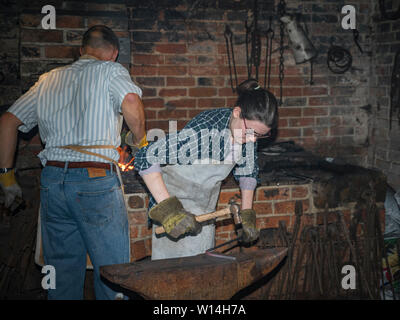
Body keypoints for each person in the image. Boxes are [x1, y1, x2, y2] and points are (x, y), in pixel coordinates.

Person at [0, 25, 147, 299]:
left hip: (53, 182)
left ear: (81, 51)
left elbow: (8, 121)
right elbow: (130, 99)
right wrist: (140, 142)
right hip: (95, 181)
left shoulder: (48, 79)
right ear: (113, 54)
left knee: (60, 272)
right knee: (113, 270)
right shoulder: (111, 71)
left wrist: (7, 178)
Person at [134, 79, 278, 260]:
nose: (253, 140)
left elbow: (247, 172)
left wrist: (247, 214)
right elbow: (146, 157)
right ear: (237, 112)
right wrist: (169, 211)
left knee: (201, 267)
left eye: (261, 136)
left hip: (205, 207)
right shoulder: (204, 134)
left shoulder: (246, 134)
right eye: (252, 133)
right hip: (172, 203)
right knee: (172, 271)